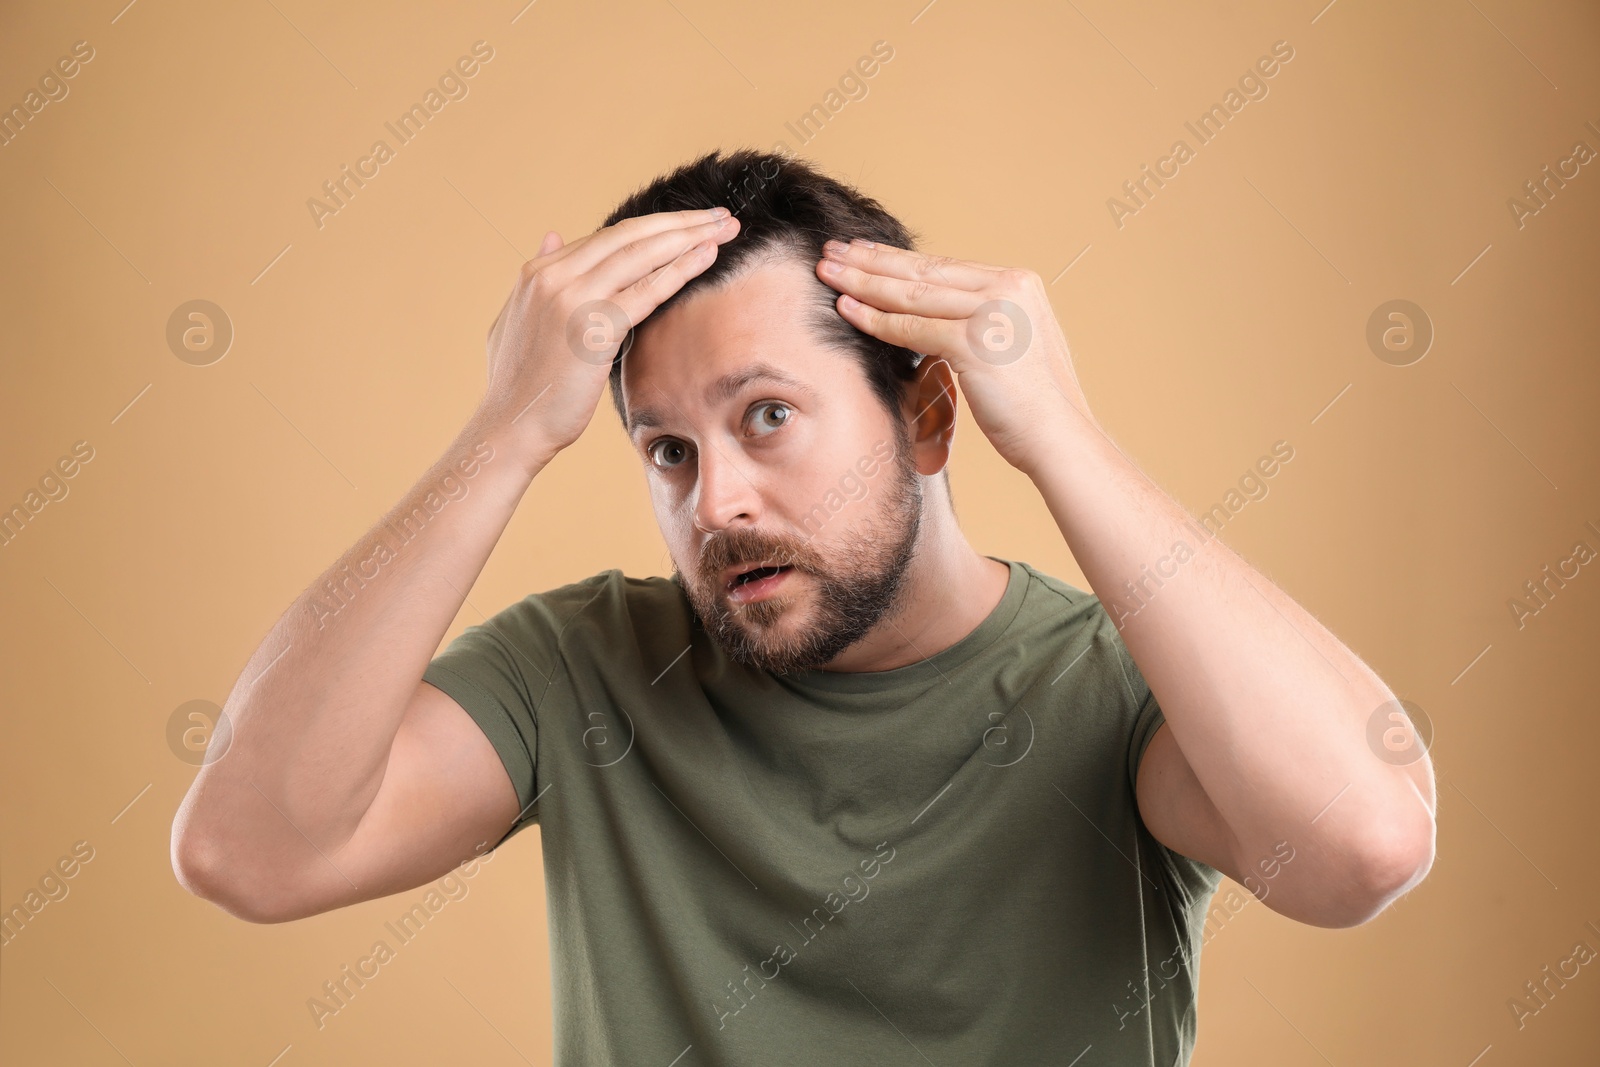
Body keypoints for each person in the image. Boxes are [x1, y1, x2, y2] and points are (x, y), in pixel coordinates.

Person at [171, 148, 1437, 1065]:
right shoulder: (583, 670)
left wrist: (1060, 433)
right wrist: (503, 433)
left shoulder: (1113, 680)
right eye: (666, 448)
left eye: (766, 416)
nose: (715, 497)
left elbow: (1361, 848)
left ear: (929, 414)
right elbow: (249, 851)